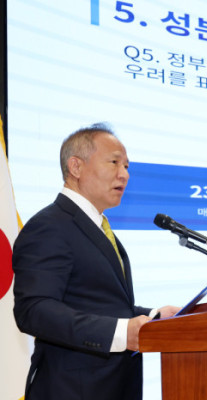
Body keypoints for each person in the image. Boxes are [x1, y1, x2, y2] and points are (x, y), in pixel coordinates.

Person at [12, 123, 179, 400]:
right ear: (76, 167)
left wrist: (155, 318)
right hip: (72, 390)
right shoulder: (49, 226)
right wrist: (122, 333)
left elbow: (99, 302)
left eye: (127, 166)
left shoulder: (97, 225)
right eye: (114, 162)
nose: (124, 174)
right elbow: (34, 310)